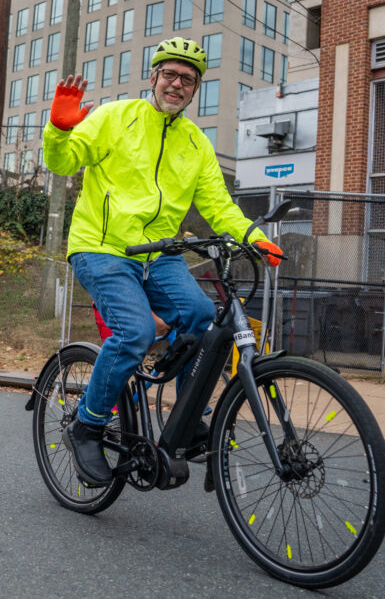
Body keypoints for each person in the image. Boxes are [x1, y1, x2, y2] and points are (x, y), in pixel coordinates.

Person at [42, 37, 284, 486]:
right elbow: (62, 162)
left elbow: (219, 206)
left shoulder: (196, 143)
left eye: (187, 79)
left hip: (159, 252)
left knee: (201, 319)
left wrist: (254, 236)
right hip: (102, 247)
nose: (177, 84)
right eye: (169, 74)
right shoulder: (116, 117)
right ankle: (88, 425)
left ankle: (187, 414)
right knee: (133, 331)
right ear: (153, 77)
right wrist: (58, 129)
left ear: (195, 90)